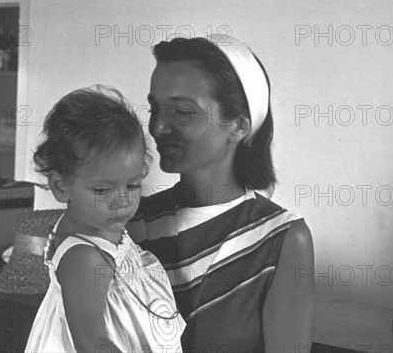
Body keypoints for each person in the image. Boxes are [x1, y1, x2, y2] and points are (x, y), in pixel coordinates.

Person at [128, 34, 316, 352]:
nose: (157, 127)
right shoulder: (131, 220)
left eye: (183, 112)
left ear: (239, 125)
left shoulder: (281, 239)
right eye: (154, 109)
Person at [26, 86, 186, 352]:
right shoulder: (83, 257)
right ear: (60, 185)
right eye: (102, 190)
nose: (122, 200)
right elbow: (92, 343)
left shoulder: (100, 228)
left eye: (133, 186)